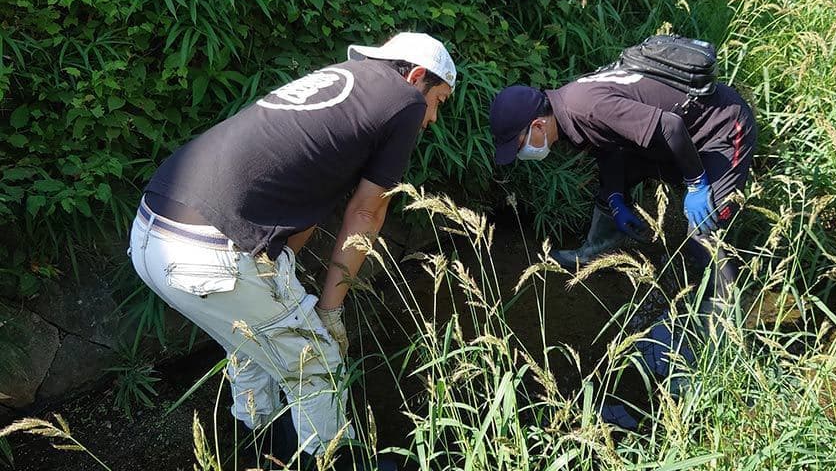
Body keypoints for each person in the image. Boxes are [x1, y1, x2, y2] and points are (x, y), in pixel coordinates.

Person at [128, 32, 456, 469]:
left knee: (251, 343)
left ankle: (263, 447)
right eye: (439, 99)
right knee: (316, 363)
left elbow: (302, 202)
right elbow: (366, 214)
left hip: (155, 233)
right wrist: (331, 312)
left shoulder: (341, 87)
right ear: (416, 76)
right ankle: (337, 462)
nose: (431, 117)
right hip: (210, 248)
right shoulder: (403, 99)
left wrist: (281, 274)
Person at [488, 48, 756, 399]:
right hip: (675, 137)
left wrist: (695, 183)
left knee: (703, 231)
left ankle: (723, 334)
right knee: (616, 182)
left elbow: (670, 126)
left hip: (718, 129)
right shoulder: (568, 110)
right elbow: (611, 148)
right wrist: (615, 199)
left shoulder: (587, 105)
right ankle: (599, 249)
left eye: (521, 143)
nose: (525, 152)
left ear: (537, 124)